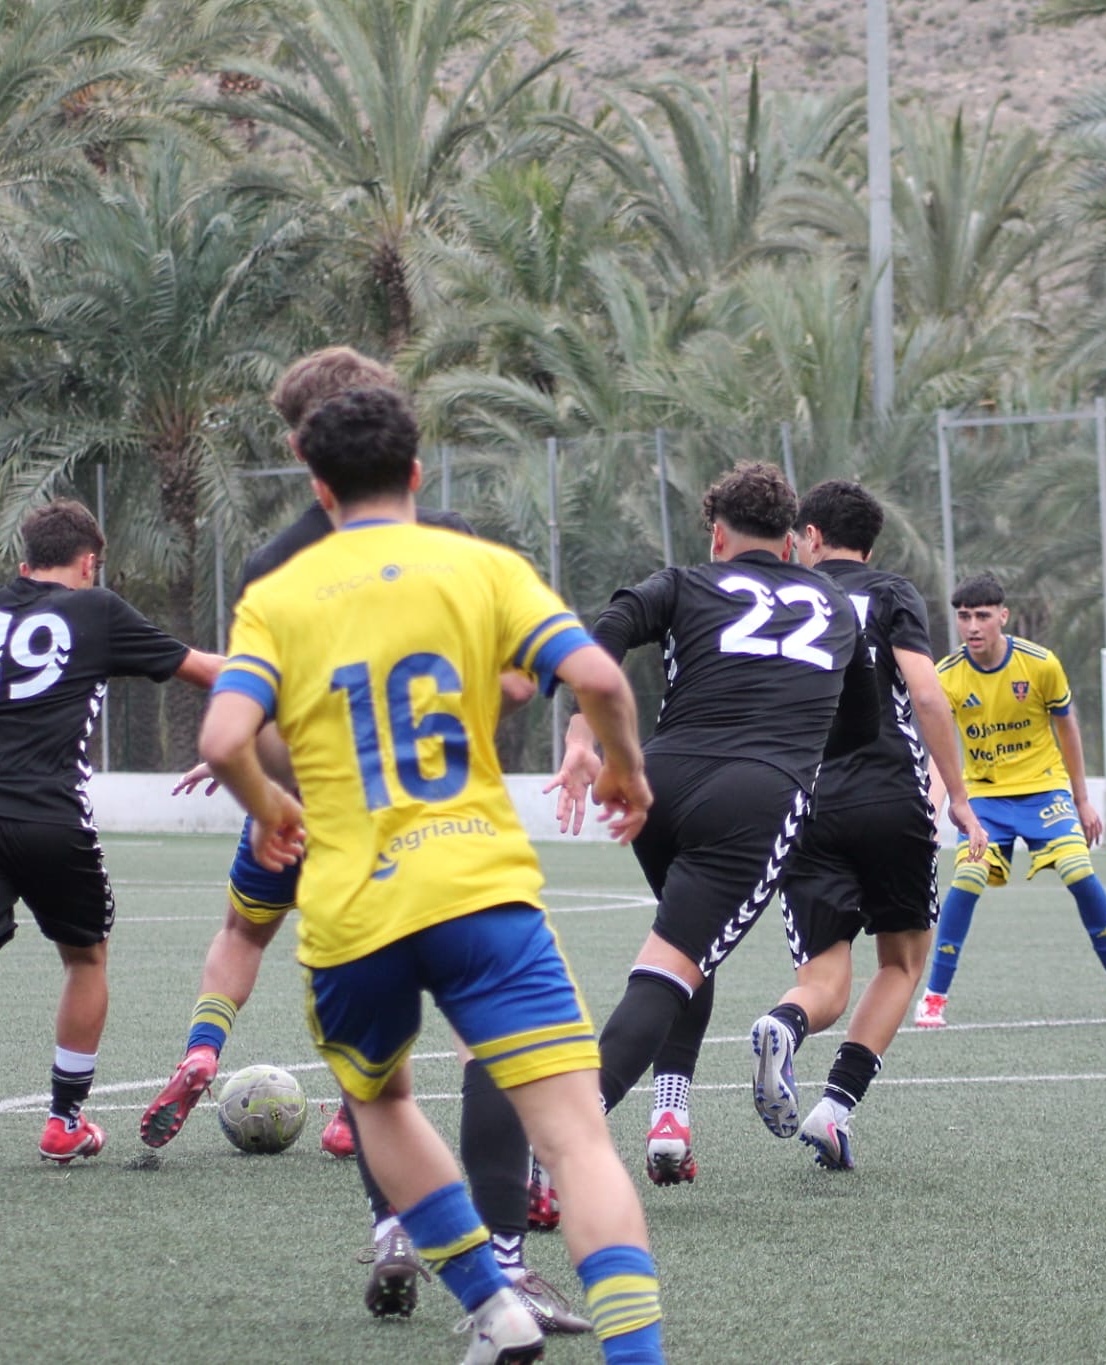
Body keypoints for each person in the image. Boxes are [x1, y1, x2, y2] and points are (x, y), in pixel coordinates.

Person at [200, 385, 666, 1364]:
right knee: (577, 1140)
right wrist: (624, 768)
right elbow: (597, 678)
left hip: (352, 909)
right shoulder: (481, 566)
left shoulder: (277, 595)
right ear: (417, 471)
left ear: (318, 486)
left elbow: (223, 736)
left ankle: (490, 1304)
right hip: (480, 891)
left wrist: (268, 806)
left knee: (381, 1102)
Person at [139, 347, 581, 1333]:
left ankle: (392, 1227)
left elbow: (248, 719)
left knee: (369, 1058)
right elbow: (526, 675)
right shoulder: (449, 541)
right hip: (438, 824)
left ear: (304, 453)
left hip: (307, 821)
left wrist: (256, 783)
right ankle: (506, 1263)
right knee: (485, 1037)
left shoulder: (272, 566)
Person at [549, 461, 878, 1186]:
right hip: (754, 796)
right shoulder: (835, 604)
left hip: (660, 783)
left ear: (718, 536)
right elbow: (861, 727)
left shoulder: (685, 581)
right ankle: (560, 1145)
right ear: (791, 542)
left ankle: (670, 1114)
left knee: (686, 946)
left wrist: (582, 734)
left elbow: (605, 631)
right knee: (671, 965)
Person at [0, 500, 222, 1163]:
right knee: (85, 958)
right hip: (50, 818)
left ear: (25, 563)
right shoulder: (97, 610)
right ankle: (64, 1120)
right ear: (89, 562)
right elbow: (206, 671)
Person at [742, 480, 986, 1168]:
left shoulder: (779, 597)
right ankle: (834, 1109)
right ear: (869, 547)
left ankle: (785, 1023)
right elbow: (928, 694)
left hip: (805, 802)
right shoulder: (890, 591)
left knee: (823, 978)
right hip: (890, 798)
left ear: (811, 537)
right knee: (903, 962)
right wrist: (958, 795)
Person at [916, 572, 1106, 1029]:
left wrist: (1082, 800)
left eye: (982, 615)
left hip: (1045, 791)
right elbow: (941, 750)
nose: (972, 626)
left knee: (1079, 871)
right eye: (964, 616)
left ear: (1003, 616)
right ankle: (934, 995)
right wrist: (931, 809)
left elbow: (1068, 730)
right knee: (967, 879)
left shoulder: (1040, 664)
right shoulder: (946, 675)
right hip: (985, 798)